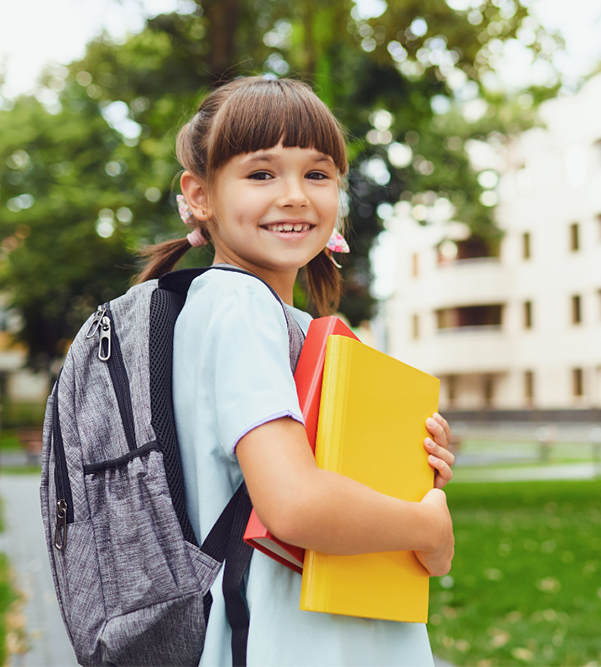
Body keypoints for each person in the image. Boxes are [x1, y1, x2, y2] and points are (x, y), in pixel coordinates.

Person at [135, 76, 456, 666]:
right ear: (199, 194)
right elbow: (295, 504)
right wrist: (426, 527)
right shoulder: (241, 306)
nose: (294, 195)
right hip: (296, 640)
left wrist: (415, 473)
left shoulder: (233, 312)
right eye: (261, 174)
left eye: (317, 173)